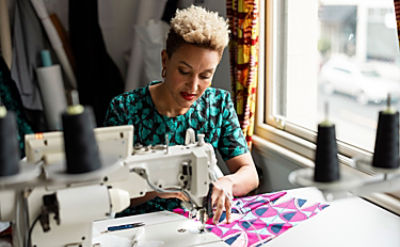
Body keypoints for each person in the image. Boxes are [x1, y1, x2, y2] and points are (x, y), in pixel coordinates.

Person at [104, 5, 259, 224]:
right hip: (137, 227)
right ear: (165, 61)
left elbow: (249, 173)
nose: (193, 86)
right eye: (184, 72)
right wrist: (156, 189)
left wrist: (227, 183)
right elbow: (108, 191)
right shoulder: (124, 109)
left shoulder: (218, 105)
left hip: (192, 222)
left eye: (205, 75)